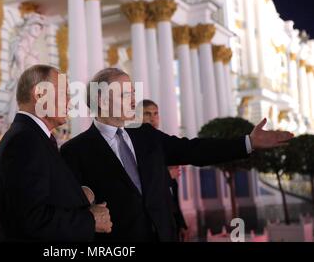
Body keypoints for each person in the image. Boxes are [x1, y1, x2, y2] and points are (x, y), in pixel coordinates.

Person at [60, 68, 293, 242]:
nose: (133, 99)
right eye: (124, 93)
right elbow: (70, 210)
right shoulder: (75, 151)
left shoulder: (146, 135)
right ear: (101, 99)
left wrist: (248, 142)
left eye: (132, 92)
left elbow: (195, 150)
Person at [0, 64, 112, 242]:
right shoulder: (24, 141)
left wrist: (77, 195)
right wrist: (90, 220)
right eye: (64, 93)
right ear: (40, 94)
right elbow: (31, 219)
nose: (70, 102)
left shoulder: (34, 137)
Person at [139, 99, 189, 241]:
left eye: (156, 113)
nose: (153, 118)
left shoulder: (162, 143)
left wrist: (180, 223)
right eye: (147, 114)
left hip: (170, 222)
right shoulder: (135, 144)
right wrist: (167, 175)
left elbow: (172, 195)